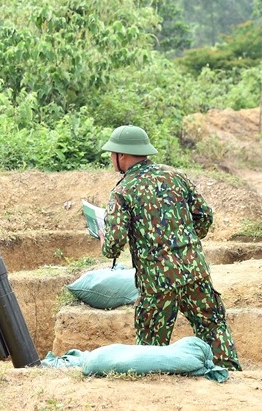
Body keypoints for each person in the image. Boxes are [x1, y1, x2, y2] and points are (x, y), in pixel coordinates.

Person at [99, 124, 241, 371]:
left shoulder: (122, 192)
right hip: (195, 271)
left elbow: (113, 245)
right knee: (212, 324)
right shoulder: (175, 176)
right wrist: (184, 244)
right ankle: (229, 375)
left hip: (157, 282)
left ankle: (155, 391)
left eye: (113, 154)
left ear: (121, 155)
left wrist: (103, 240)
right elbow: (205, 215)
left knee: (152, 344)